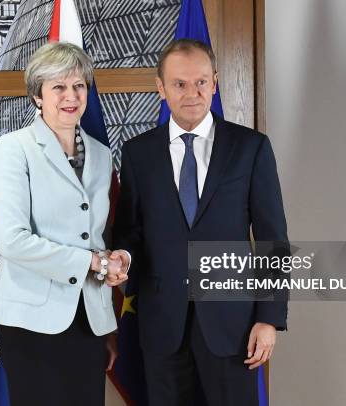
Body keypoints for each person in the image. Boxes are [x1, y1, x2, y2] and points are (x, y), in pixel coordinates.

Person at [113, 39, 289, 405]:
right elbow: (130, 231)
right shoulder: (138, 153)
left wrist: (269, 318)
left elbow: (274, 239)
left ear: (216, 82)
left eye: (201, 82)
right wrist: (124, 259)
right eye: (179, 84)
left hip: (233, 326)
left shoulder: (251, 148)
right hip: (162, 324)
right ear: (160, 87)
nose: (192, 93)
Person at [0, 42, 128, 406]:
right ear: (38, 95)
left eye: (79, 86)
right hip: (32, 319)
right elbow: (12, 240)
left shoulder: (100, 153)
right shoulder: (13, 148)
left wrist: (110, 265)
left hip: (88, 317)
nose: (71, 96)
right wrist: (91, 263)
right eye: (59, 87)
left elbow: (94, 234)